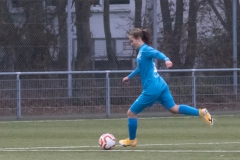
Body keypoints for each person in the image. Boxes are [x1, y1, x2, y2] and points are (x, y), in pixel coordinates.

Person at [119, 28, 214, 147]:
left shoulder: (145, 50)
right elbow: (140, 68)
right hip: (161, 84)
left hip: (152, 88)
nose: (131, 44)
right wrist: (129, 76)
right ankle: (201, 112)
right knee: (173, 108)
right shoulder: (141, 52)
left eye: (132, 41)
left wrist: (166, 59)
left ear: (139, 39)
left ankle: (132, 140)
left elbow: (157, 53)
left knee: (131, 113)